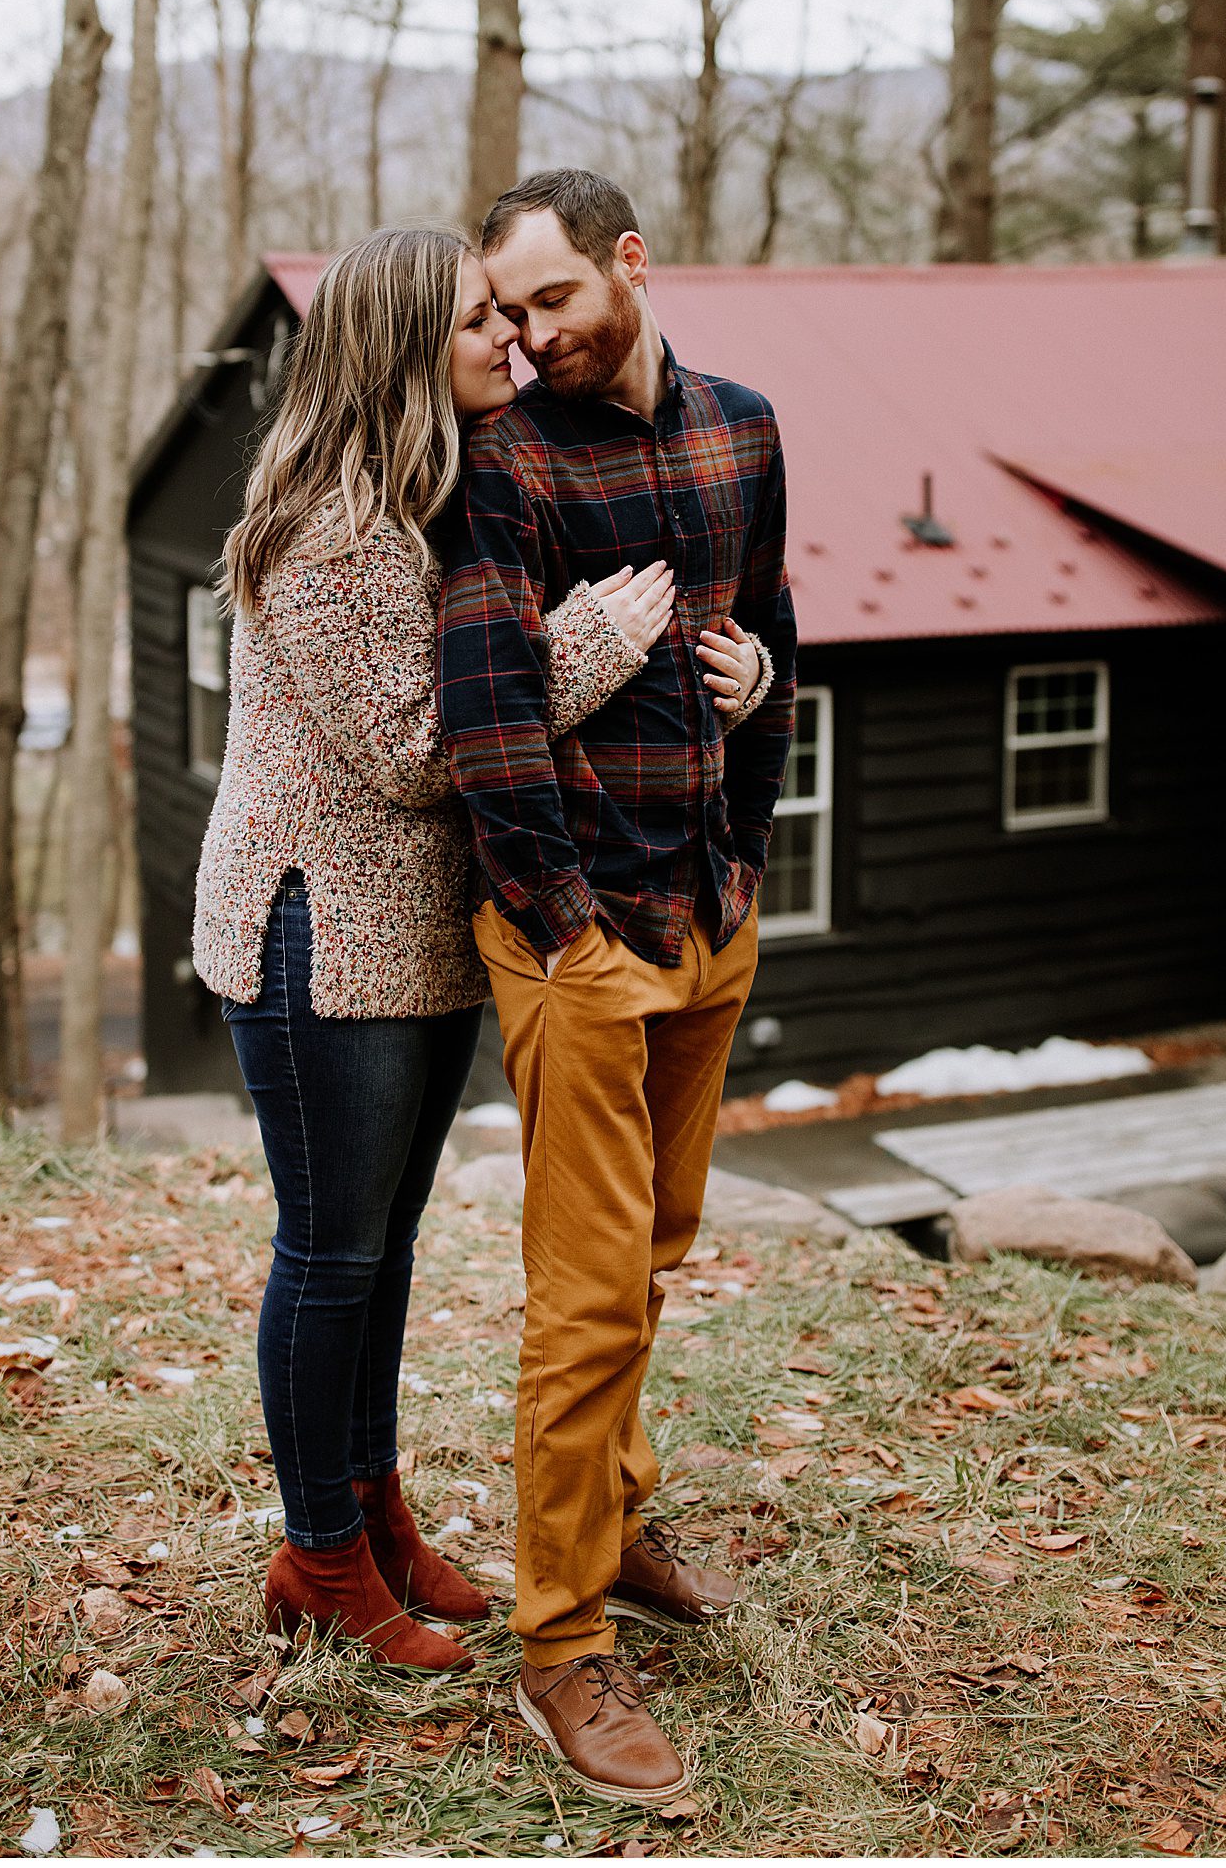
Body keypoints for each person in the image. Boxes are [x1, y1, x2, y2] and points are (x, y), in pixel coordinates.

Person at [190, 225, 766, 1676]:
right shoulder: (326, 521)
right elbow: (402, 751)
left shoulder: (422, 491)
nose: (503, 346)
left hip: (415, 937)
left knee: (374, 1255)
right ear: (396, 350)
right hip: (321, 933)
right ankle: (320, 1557)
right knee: (327, 1254)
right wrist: (590, 641)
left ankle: (370, 1521)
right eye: (470, 326)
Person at [439, 170, 797, 1802]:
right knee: (583, 1307)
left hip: (707, 910)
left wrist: (764, 726)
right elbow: (489, 716)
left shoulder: (743, 427)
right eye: (503, 314)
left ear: (627, 266)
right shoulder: (497, 467)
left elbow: (769, 630)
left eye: (549, 303)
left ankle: (618, 1522)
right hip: (581, 935)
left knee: (653, 1254)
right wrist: (562, 918)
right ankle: (560, 1647)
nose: (523, 339)